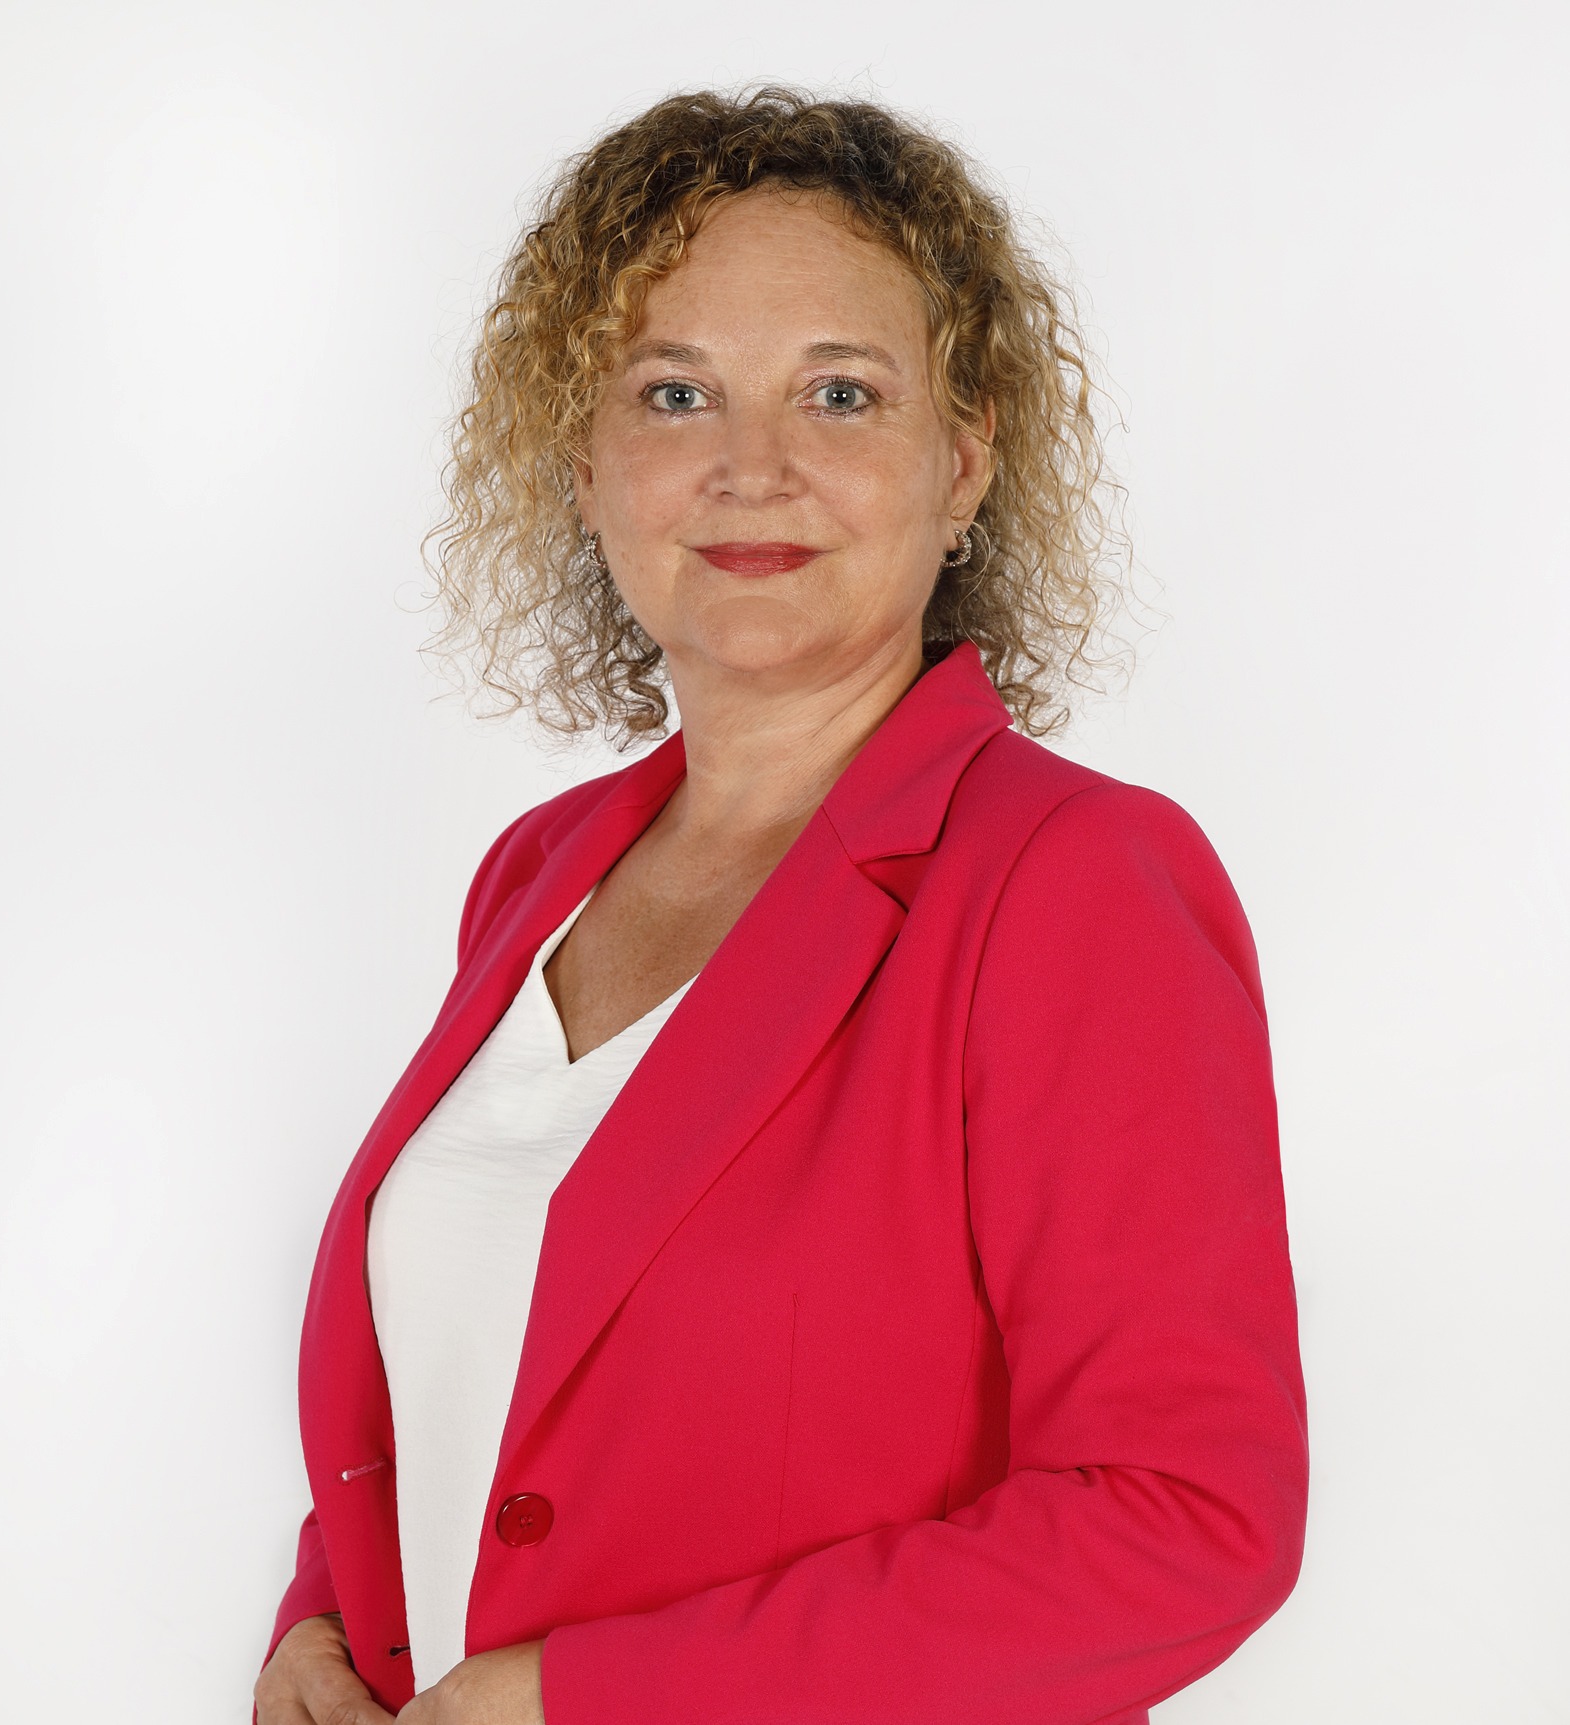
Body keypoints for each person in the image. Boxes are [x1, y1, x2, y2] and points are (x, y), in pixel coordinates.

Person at [253, 85, 1307, 1725]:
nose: (752, 468)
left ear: (962, 464)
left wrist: (580, 1698)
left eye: (839, 393)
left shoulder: (1069, 880)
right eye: (675, 393)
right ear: (585, 467)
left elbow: (1184, 1519)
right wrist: (322, 1620)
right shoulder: (537, 874)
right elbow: (481, 1360)